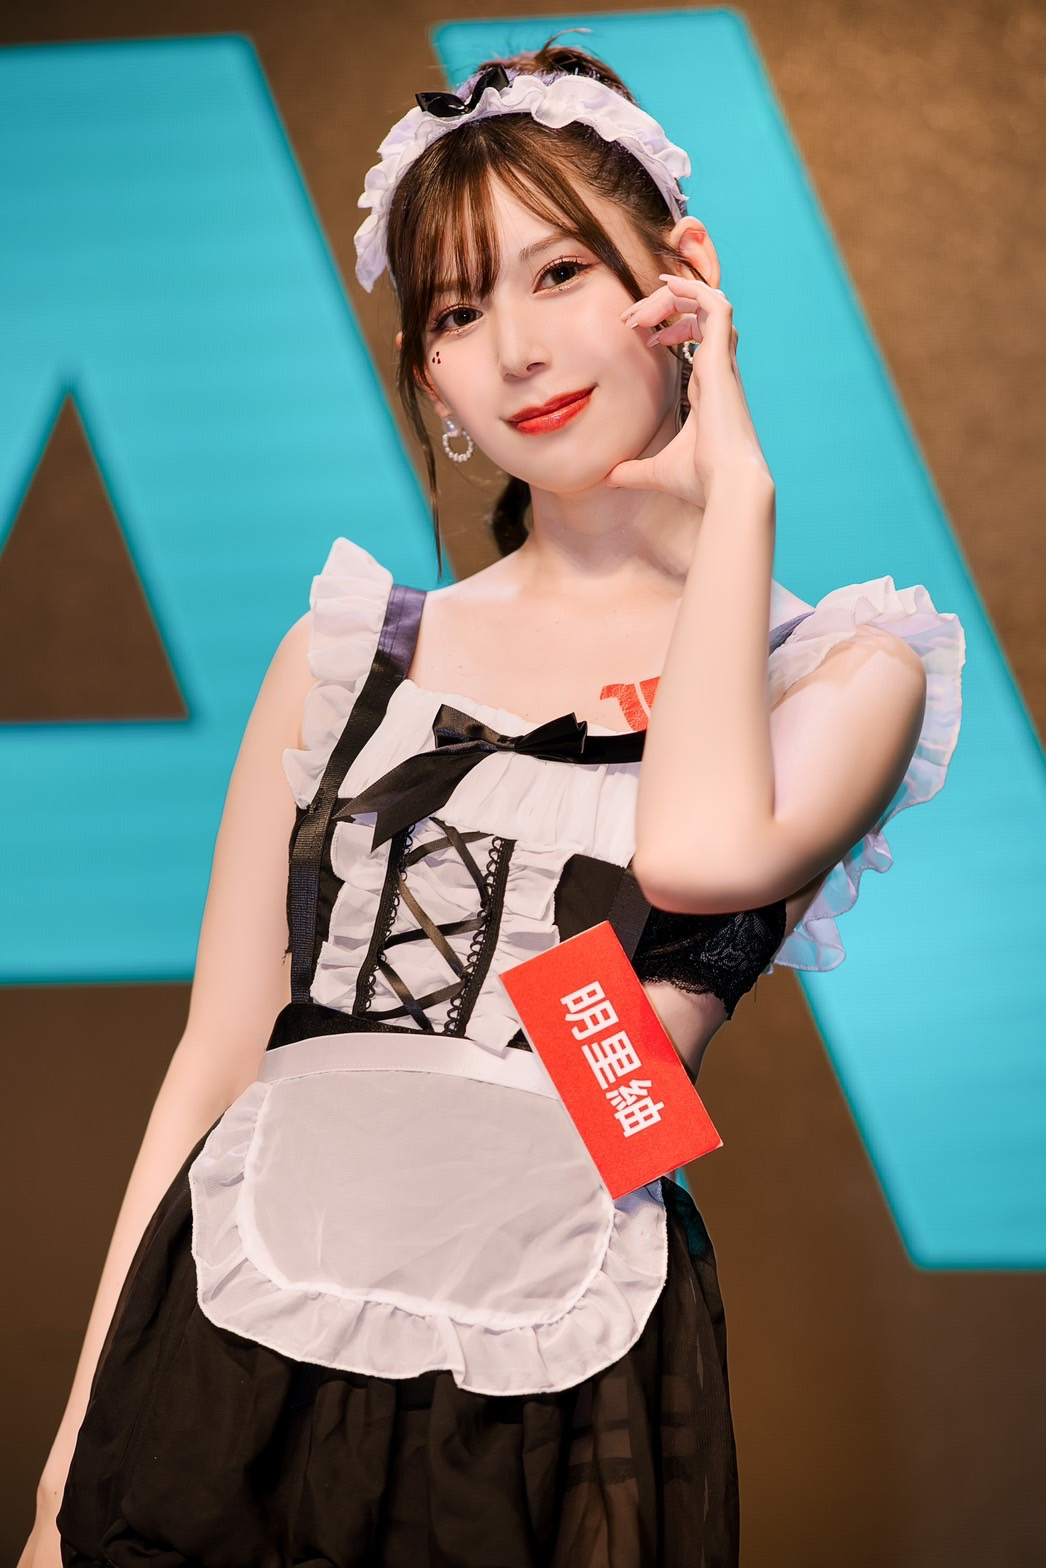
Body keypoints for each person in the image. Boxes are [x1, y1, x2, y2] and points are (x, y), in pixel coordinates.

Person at [21, 40, 965, 1568]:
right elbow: (216, 1060)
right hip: (232, 1338)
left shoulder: (840, 671)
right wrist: (69, 1460)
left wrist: (735, 500)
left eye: (560, 273)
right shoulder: (349, 655)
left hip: (550, 1375)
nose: (516, 349)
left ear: (678, 277)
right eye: (457, 311)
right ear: (430, 375)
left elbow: (694, 854)